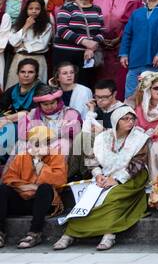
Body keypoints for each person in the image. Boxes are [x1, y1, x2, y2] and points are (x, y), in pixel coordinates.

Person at [54, 105, 150, 251]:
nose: (130, 122)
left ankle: (109, 235)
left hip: (132, 177)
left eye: (132, 119)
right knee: (87, 199)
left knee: (112, 198)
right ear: (116, 121)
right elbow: (91, 159)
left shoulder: (140, 138)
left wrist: (117, 180)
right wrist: (98, 175)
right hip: (104, 175)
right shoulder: (102, 138)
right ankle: (69, 234)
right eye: (125, 119)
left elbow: (137, 164)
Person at [0, 124, 67, 248]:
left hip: (45, 203)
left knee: (45, 188)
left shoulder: (57, 156)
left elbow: (59, 181)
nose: (43, 146)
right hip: (22, 199)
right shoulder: (22, 157)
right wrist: (28, 187)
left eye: (47, 143)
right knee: (2, 189)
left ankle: (35, 233)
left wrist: (39, 163)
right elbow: (8, 178)